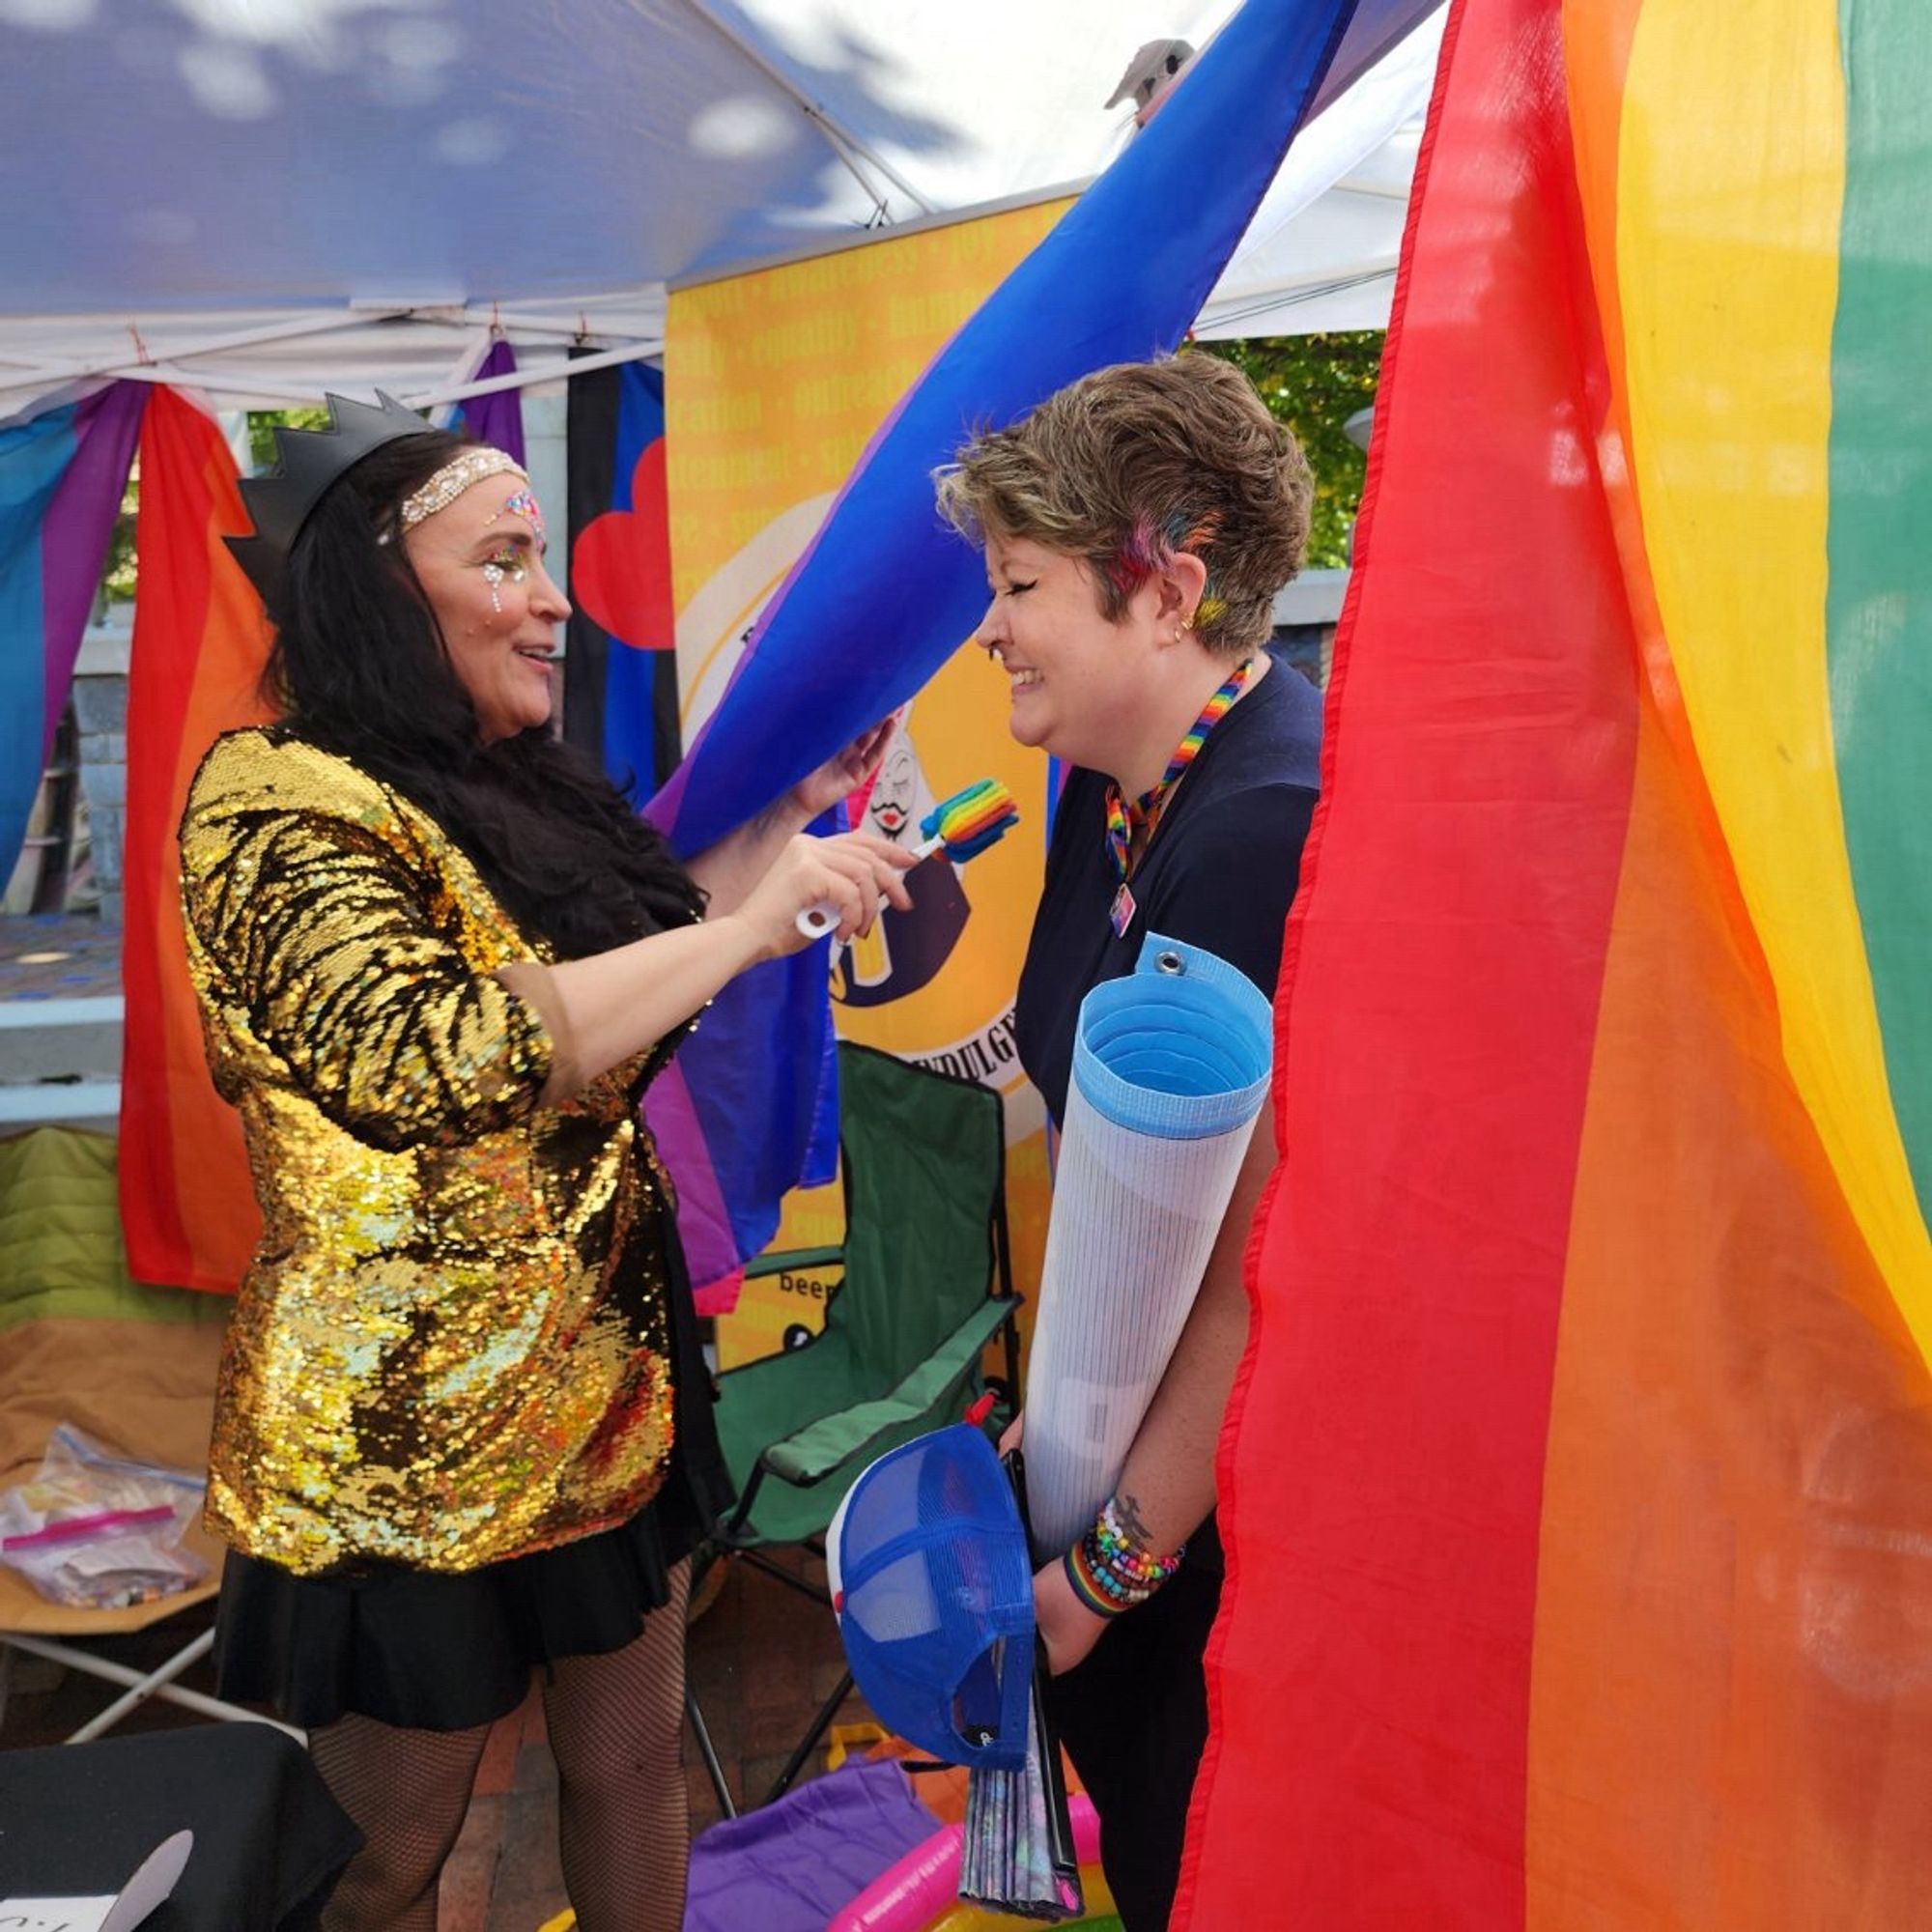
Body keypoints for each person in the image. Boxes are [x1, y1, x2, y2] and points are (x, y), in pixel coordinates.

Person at [183, 396, 913, 1932]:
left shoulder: (505, 780)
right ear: (384, 600)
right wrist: (750, 924)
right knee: (387, 1858)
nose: (552, 596)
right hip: (407, 1447)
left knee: (635, 1762)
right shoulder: (268, 803)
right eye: (504, 558)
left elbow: (618, 1000)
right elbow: (438, 1057)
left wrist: (786, 817)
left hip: (598, 1395)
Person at [934, 354, 1320, 1929]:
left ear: (1165, 589)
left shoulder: (1257, 828)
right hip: (1137, 1473)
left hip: (1222, 1536)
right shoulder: (1118, 794)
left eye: (1021, 584)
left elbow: (1256, 1286)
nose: (991, 626)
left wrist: (1100, 1578)